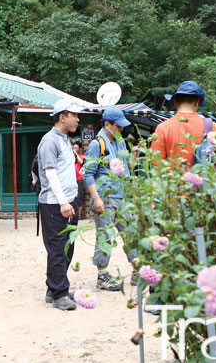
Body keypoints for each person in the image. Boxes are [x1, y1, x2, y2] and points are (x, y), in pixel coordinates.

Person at [37, 98, 83, 311]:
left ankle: (53, 288)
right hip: (56, 204)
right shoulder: (50, 141)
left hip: (67, 202)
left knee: (67, 246)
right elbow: (50, 174)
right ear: (62, 117)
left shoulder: (64, 139)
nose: (77, 119)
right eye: (73, 115)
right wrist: (63, 202)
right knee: (57, 248)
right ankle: (60, 294)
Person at [84, 107, 135, 292]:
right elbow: (88, 174)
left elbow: (126, 171)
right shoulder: (97, 144)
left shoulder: (119, 143)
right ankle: (102, 275)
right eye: (118, 126)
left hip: (121, 197)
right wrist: (96, 198)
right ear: (107, 124)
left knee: (131, 232)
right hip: (104, 198)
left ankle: (138, 269)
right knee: (105, 236)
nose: (121, 129)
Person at [150, 81, 216, 169]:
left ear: (175, 102)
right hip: (205, 182)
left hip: (174, 182)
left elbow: (157, 166)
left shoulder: (162, 128)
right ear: (197, 102)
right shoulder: (212, 127)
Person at [72, 141, 86, 219]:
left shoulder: (83, 156)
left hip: (80, 179)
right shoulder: (71, 156)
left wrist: (76, 154)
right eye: (73, 147)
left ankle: (79, 215)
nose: (74, 149)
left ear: (80, 149)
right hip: (72, 179)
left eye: (76, 148)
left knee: (80, 197)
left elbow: (81, 162)